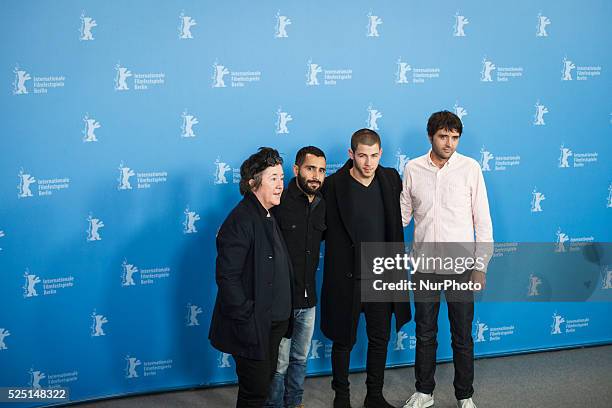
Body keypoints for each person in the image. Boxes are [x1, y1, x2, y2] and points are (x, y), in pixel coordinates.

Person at [400, 111, 493, 408]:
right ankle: (424, 392)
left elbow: (484, 223)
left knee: (462, 335)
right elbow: (402, 217)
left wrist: (480, 267)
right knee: (425, 332)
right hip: (424, 266)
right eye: (443, 136)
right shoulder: (412, 168)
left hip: (461, 268)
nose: (449, 143)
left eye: (454, 137)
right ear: (431, 136)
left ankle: (465, 395)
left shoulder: (470, 168)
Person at [321, 129, 411, 408]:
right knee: (343, 340)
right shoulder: (333, 185)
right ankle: (342, 398)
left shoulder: (390, 178)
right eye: (362, 156)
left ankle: (374, 396)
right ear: (351, 155)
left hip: (382, 276)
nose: (368, 163)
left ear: (380, 154)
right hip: (345, 278)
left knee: (380, 338)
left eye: (373, 156)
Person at [209, 147, 294, 408]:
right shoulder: (241, 220)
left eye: (281, 177)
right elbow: (228, 278)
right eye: (273, 179)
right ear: (253, 183)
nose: (281, 185)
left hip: (273, 323)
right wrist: (248, 317)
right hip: (254, 326)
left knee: (263, 387)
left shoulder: (268, 214)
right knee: (254, 392)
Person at [265, 146, 327, 408]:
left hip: (308, 300)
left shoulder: (323, 204)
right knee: (279, 362)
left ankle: (295, 403)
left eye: (321, 170)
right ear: (296, 169)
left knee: (300, 358)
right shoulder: (280, 202)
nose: (316, 175)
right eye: (310, 168)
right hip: (282, 302)